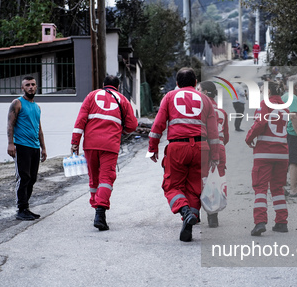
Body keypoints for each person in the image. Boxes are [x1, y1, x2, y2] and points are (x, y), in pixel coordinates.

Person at [148, 68, 220, 242]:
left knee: (172, 186)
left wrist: (152, 147)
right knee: (195, 188)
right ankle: (189, 222)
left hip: (178, 147)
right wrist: (215, 156)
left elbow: (158, 125)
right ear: (196, 83)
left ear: (177, 83)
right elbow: (213, 132)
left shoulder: (169, 97)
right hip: (201, 148)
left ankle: (186, 213)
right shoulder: (205, 100)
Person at [70, 75, 138, 231]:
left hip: (90, 144)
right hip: (110, 145)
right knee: (106, 179)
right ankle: (100, 212)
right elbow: (133, 125)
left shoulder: (91, 95)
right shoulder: (123, 100)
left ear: (103, 85)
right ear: (118, 87)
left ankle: (96, 207)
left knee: (94, 178)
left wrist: (75, 142)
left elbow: (80, 120)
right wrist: (122, 130)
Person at [245, 79, 291, 236]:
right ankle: (281, 222)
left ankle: (260, 222)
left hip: (264, 153)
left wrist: (249, 138)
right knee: (278, 188)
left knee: (260, 188)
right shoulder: (285, 107)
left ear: (269, 92)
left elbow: (259, 124)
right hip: (282, 154)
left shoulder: (265, 104)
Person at [7, 75, 47, 221]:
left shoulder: (37, 107)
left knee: (32, 178)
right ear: (22, 88)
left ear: (36, 87)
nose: (31, 87)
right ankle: (21, 209)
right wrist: (10, 143)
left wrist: (43, 148)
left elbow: (39, 129)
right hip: (21, 146)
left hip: (34, 147)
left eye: (33, 84)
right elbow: (10, 124)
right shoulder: (17, 103)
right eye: (27, 85)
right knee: (24, 177)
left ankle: (26, 208)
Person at [197, 81, 229, 228]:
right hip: (220, 148)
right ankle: (213, 216)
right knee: (214, 181)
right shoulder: (222, 112)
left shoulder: (199, 110)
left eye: (199, 90)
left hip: (203, 146)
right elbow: (226, 137)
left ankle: (193, 213)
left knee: (199, 179)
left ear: (204, 93)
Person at [282, 77, 297, 197]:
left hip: (286, 132)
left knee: (286, 161)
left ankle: (281, 188)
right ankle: (293, 189)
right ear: (296, 86)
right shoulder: (293, 97)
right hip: (292, 133)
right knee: (294, 161)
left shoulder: (285, 97)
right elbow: (293, 116)